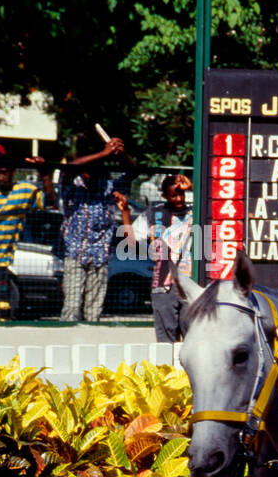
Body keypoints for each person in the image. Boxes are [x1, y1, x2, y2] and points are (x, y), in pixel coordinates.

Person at [0, 157, 55, 320]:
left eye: (5, 173)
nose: (1, 177)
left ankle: (1, 335)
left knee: (3, 306)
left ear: (13, 173)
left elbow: (49, 201)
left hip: (0, 261)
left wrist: (45, 175)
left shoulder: (24, 192)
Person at [58, 136, 133, 322]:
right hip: (75, 253)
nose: (91, 174)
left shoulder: (109, 186)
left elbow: (133, 171)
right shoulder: (72, 183)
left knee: (94, 310)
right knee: (72, 307)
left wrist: (121, 154)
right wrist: (103, 153)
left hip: (100, 255)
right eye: (88, 170)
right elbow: (69, 168)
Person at [124, 173, 194, 341]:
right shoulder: (153, 214)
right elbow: (131, 241)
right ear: (164, 196)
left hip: (191, 284)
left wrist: (191, 186)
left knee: (194, 337)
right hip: (163, 285)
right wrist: (125, 212)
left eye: (181, 194)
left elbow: (213, 205)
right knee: (166, 340)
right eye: (173, 195)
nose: (179, 199)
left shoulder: (195, 211)